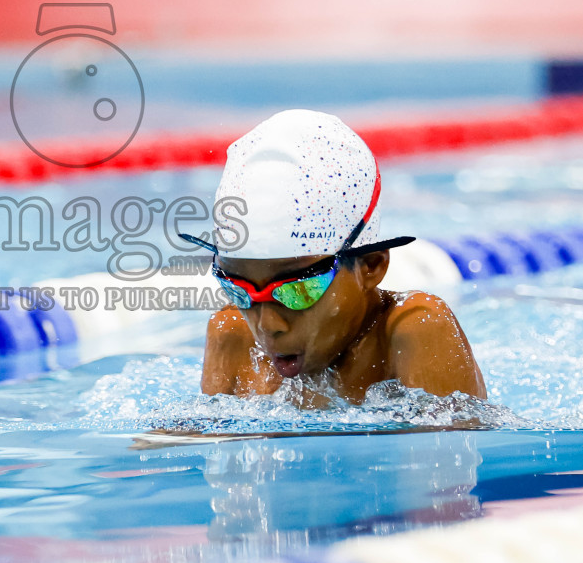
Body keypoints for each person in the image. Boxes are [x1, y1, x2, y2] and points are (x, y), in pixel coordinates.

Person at [192, 110, 485, 404]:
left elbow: (451, 445)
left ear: (371, 265)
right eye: (237, 288)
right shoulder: (233, 335)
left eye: (298, 289)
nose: (267, 325)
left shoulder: (414, 329)